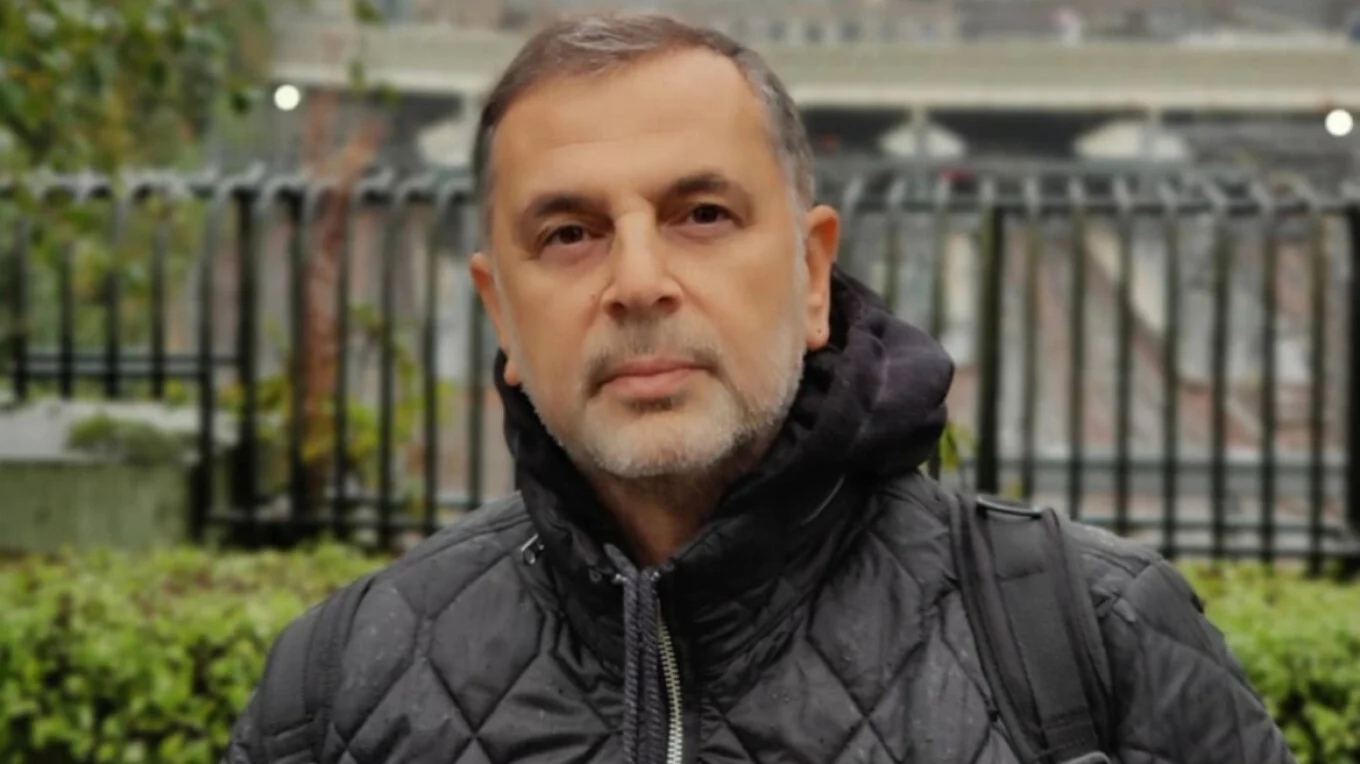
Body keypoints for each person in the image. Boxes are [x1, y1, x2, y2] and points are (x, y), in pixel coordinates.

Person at [222, 12, 1294, 764]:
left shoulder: (1096, 640)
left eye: (702, 215)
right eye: (569, 233)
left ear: (813, 275)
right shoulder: (333, 690)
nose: (638, 281)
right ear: (500, 312)